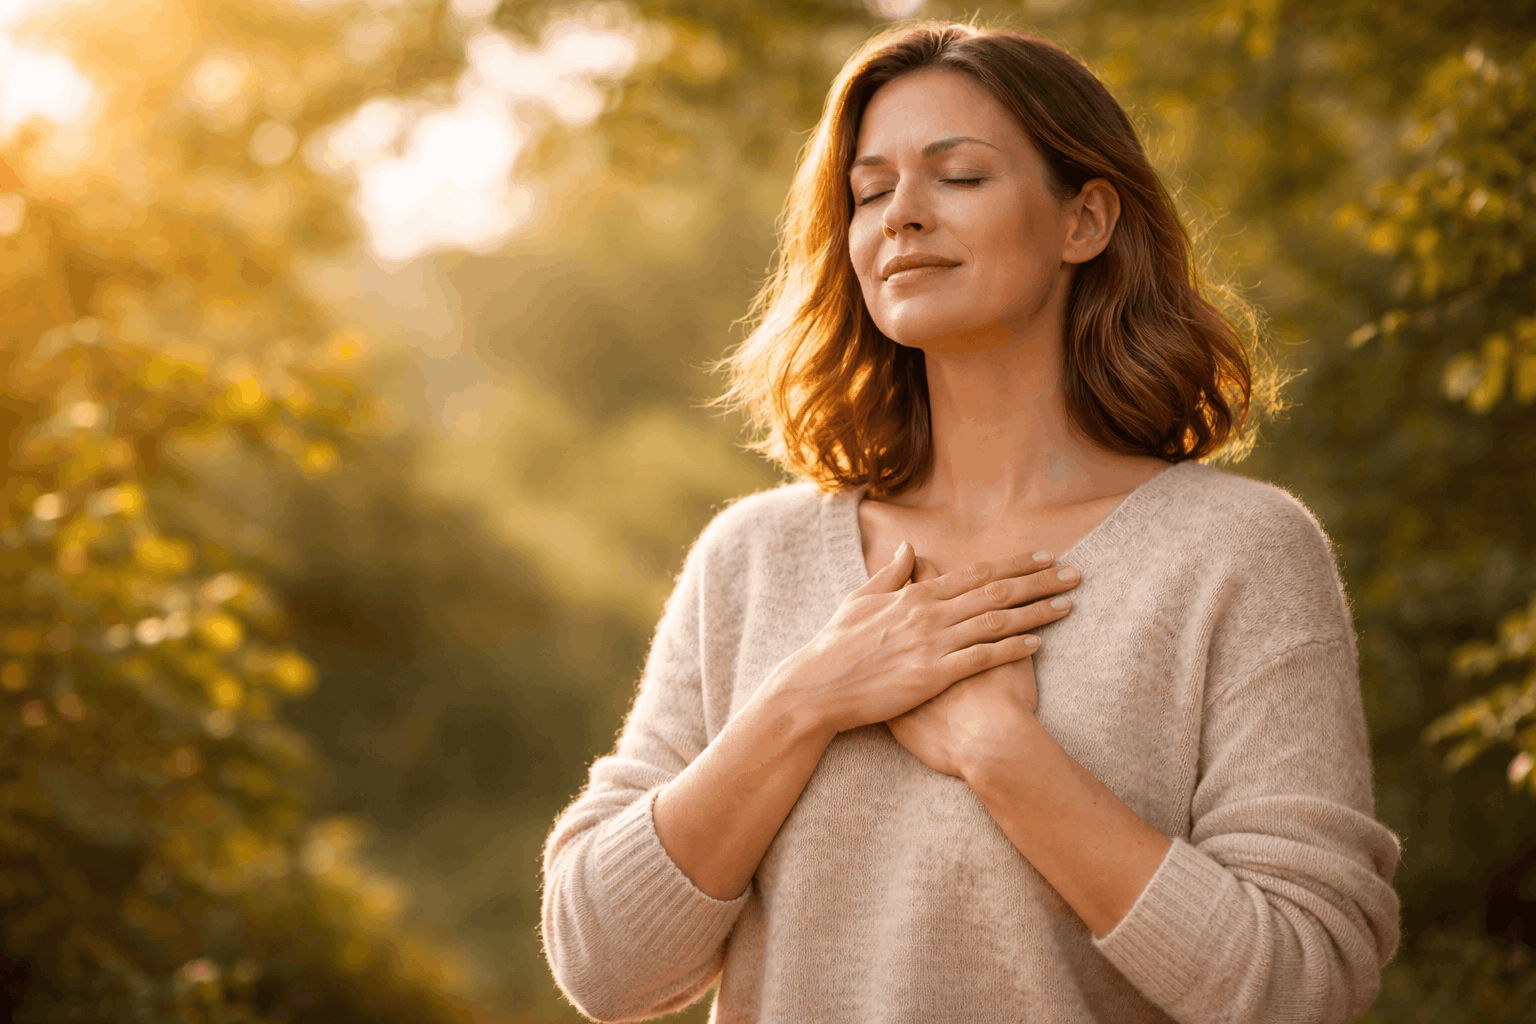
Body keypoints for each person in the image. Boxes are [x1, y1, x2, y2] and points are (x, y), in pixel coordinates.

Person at [540, 21, 1400, 1024]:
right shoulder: (753, 558)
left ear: (1085, 221)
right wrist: (805, 698)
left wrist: (1003, 753)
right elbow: (604, 964)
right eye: (868, 192)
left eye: (957, 177)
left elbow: (1305, 981)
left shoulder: (1236, 553)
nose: (901, 216)